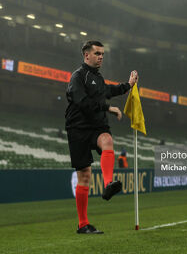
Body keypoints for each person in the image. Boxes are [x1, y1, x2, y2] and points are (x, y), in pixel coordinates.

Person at [65, 40, 138, 234]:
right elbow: (82, 102)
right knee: (84, 176)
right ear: (86, 55)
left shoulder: (97, 78)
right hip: (78, 128)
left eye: (103, 54)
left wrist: (128, 85)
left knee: (107, 140)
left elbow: (108, 91)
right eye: (97, 53)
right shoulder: (78, 77)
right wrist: (107, 108)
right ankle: (83, 225)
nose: (101, 57)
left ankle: (108, 184)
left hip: (96, 125)